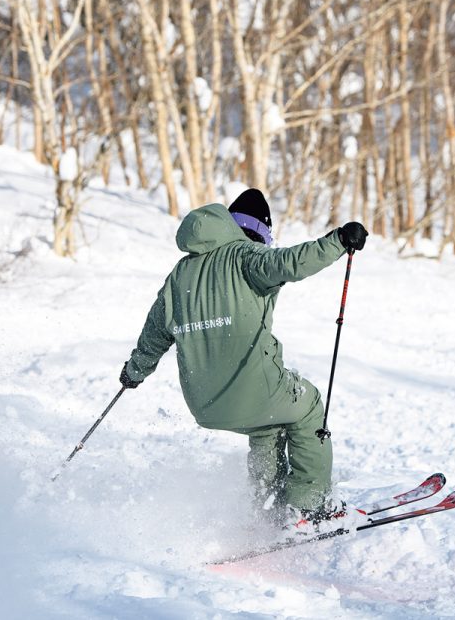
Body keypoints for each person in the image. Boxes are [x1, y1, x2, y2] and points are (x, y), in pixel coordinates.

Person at [119, 188, 368, 529]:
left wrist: (135, 371)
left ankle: (267, 512)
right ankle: (309, 509)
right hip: (252, 390)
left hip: (204, 403)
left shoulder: (180, 275)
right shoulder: (246, 257)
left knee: (268, 425)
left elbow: (154, 333)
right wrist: (338, 241)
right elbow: (291, 262)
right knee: (307, 405)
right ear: (262, 231)